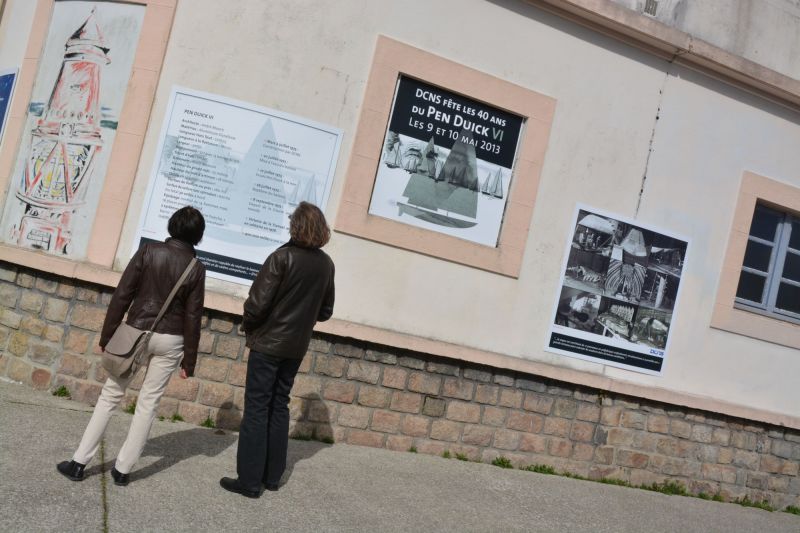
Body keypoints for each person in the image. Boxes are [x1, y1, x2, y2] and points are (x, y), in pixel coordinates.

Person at [57, 206, 206, 486]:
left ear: (172, 226)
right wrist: (190, 361)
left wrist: (107, 337)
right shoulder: (196, 268)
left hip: (137, 331)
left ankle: (78, 463)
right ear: (198, 236)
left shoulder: (148, 252)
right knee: (148, 404)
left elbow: (122, 296)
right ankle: (123, 470)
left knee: (111, 395)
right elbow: (193, 316)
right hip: (172, 339)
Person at [220, 201, 335, 498]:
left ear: (295, 226)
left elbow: (256, 305)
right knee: (279, 405)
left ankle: (248, 481)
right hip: (295, 348)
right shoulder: (326, 264)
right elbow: (325, 311)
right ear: (321, 229)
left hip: (269, 344)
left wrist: (251, 325)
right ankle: (272, 476)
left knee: (258, 408)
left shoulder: (281, 258)